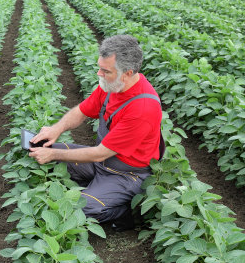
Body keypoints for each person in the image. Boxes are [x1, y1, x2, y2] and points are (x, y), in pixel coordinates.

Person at [28, 34, 164, 230]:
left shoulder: (142, 108)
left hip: (125, 174)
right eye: (99, 67)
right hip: (101, 162)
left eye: (105, 70)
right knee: (39, 149)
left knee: (76, 211)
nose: (99, 73)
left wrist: (54, 154)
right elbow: (81, 111)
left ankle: (125, 212)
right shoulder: (112, 85)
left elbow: (100, 152)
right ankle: (95, 189)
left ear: (127, 73)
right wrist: (56, 129)